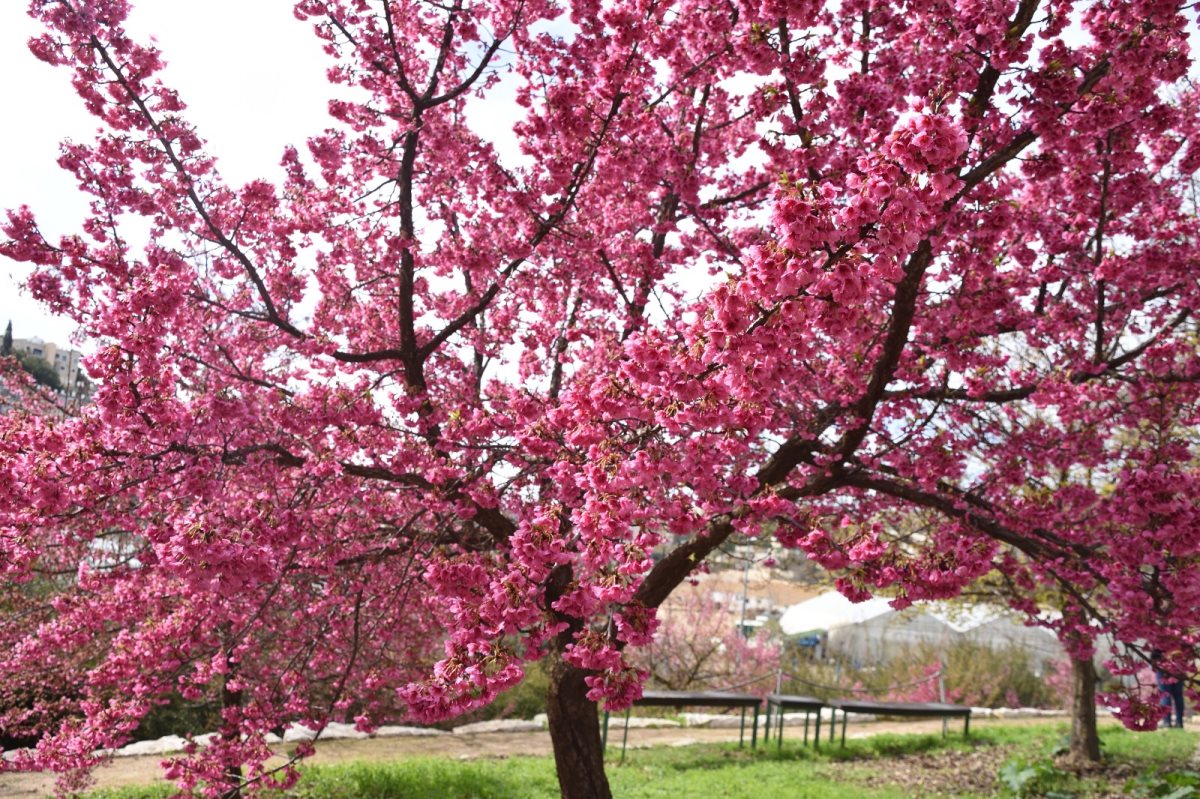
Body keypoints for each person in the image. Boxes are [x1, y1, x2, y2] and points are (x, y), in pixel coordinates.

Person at [1152, 650, 1186, 729]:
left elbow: (1155, 653)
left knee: (1165, 695)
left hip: (1163, 667)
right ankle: (1179, 723)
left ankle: (1167, 722)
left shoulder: (1160, 639)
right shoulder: (1181, 639)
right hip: (1179, 667)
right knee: (1178, 696)